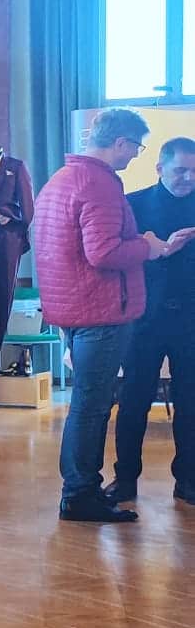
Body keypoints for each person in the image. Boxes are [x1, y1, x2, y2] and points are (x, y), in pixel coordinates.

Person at [35, 107, 193, 523]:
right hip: (103, 311)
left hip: (80, 309)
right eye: (136, 147)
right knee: (94, 406)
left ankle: (81, 488)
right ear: (120, 142)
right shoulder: (101, 183)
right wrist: (151, 247)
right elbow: (103, 252)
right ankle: (82, 492)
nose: (134, 156)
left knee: (90, 404)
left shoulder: (62, 178)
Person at [112, 136, 195, 507]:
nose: (189, 178)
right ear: (160, 168)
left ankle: (189, 479)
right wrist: (158, 248)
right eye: (181, 170)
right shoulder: (134, 205)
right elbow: (119, 258)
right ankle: (125, 478)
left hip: (191, 320)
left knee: (191, 403)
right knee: (133, 401)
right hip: (144, 317)